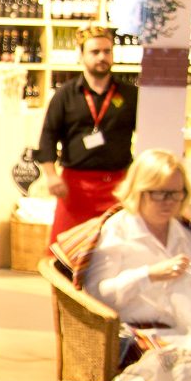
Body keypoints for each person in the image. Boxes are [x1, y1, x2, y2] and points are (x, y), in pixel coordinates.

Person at [70, 150, 191, 342]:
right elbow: (97, 295)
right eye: (159, 193)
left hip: (185, 334)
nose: (169, 202)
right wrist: (149, 275)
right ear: (138, 192)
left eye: (175, 193)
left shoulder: (187, 235)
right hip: (129, 334)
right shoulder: (117, 231)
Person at [36, 26, 136, 238]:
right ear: (81, 55)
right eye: (95, 52)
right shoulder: (65, 95)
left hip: (118, 185)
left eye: (107, 51)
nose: (102, 57)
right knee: (66, 251)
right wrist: (51, 176)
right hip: (75, 187)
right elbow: (48, 136)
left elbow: (147, 134)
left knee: (115, 249)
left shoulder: (129, 94)